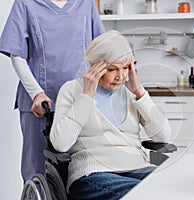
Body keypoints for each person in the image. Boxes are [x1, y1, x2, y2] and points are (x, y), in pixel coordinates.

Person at [50, 30, 171, 200]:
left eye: (125, 68)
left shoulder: (130, 93)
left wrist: (139, 91)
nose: (120, 77)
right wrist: (86, 96)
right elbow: (61, 144)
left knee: (172, 187)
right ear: (94, 67)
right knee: (143, 193)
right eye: (112, 69)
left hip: (137, 167)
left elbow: (163, 136)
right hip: (93, 173)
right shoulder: (71, 90)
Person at [0, 0, 105, 182]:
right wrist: (36, 93)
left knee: (82, 167)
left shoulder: (85, 4)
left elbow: (100, 48)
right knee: (37, 170)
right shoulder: (26, 3)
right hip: (40, 103)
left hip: (80, 100)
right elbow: (17, 55)